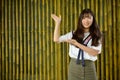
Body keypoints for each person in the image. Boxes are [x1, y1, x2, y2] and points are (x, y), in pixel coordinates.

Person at [51, 9, 102, 80]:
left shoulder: (97, 35)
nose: (86, 20)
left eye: (89, 18)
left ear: (93, 19)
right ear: (80, 20)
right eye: (83, 18)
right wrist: (57, 23)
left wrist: (77, 44)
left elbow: (94, 52)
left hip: (89, 67)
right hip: (74, 67)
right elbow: (56, 39)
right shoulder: (73, 34)